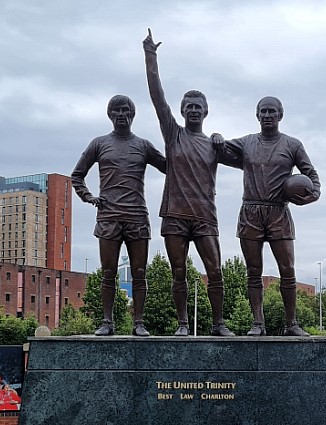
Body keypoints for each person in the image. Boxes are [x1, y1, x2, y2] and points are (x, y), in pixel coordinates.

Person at [144, 29, 234, 336]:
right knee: (178, 272)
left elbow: (249, 157)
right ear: (182, 112)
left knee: (216, 271)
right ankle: (183, 323)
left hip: (205, 216)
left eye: (198, 107)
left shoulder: (215, 144)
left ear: (206, 112)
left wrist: (223, 139)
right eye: (189, 106)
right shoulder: (173, 134)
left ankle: (219, 323)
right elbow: (158, 97)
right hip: (175, 216)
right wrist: (150, 57)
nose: (193, 110)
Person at [216, 96, 320, 336]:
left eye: (272, 111)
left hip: (278, 212)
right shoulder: (247, 143)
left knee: (287, 269)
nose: (267, 115)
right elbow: (220, 151)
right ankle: (258, 323)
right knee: (253, 270)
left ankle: (291, 324)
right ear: (257, 115)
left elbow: (312, 176)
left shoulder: (293, 145)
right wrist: (216, 138)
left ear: (280, 115)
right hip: (250, 212)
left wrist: (311, 196)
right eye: (263, 111)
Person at [71, 94, 167, 336]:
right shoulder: (99, 143)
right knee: (108, 272)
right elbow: (77, 175)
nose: (122, 115)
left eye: (126, 110)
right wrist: (89, 196)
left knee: (140, 272)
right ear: (110, 115)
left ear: (132, 114)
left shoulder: (143, 145)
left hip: (136, 216)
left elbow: (170, 167)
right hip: (109, 217)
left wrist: (182, 149)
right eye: (117, 111)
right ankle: (107, 322)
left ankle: (139, 323)